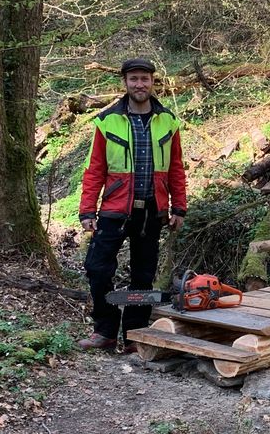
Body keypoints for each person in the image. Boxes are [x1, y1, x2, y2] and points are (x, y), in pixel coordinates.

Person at [77, 58, 187, 352]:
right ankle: (105, 330)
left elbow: (176, 167)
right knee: (97, 268)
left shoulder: (168, 121)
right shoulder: (106, 121)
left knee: (143, 275)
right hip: (114, 208)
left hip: (153, 211)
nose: (140, 84)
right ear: (124, 83)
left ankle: (135, 333)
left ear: (153, 83)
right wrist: (87, 210)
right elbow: (94, 169)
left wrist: (179, 207)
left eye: (145, 79)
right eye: (134, 79)